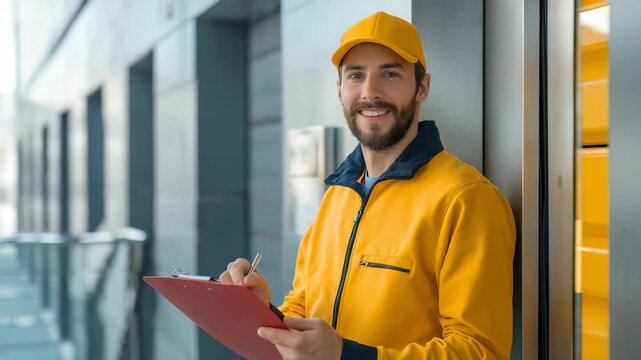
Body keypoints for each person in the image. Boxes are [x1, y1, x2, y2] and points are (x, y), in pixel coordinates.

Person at [219, 11, 516, 359]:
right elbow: (305, 305)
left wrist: (348, 356)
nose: (370, 92)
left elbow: (481, 350)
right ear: (340, 91)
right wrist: (263, 312)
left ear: (422, 87)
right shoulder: (337, 194)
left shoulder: (465, 199)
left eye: (389, 74)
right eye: (356, 75)